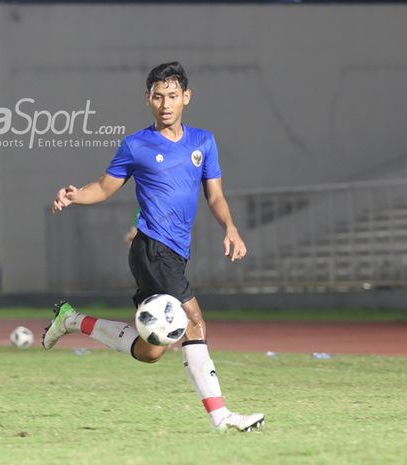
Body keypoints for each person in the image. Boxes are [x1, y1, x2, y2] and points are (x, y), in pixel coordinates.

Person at [43, 62, 264, 432]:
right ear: (148, 99)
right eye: (158, 96)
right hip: (152, 249)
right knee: (195, 322)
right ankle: (222, 417)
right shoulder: (136, 145)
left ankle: (72, 320)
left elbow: (216, 196)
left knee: (151, 350)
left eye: (173, 96)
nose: (165, 104)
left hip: (174, 253)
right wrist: (74, 196)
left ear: (186, 98)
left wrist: (231, 228)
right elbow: (104, 186)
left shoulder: (203, 142)